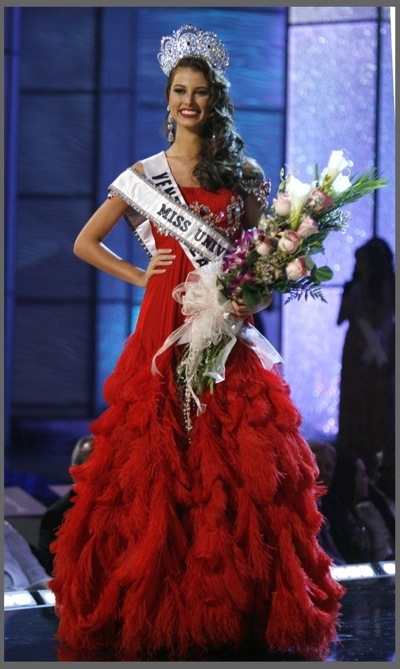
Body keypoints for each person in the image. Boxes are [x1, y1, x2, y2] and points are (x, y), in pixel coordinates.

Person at [49, 25, 343, 661]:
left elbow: (266, 262)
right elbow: (84, 242)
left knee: (233, 460)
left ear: (216, 99)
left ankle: (235, 606)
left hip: (226, 331)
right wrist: (141, 274)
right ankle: (155, 605)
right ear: (167, 99)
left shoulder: (245, 175)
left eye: (200, 92)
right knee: (157, 462)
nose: (189, 102)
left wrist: (255, 294)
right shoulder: (142, 176)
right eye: (179, 91)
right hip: (165, 324)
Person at [336, 237, 395, 495]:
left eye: (363, 261)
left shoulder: (390, 287)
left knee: (381, 406)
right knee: (355, 405)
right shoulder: (353, 288)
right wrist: (350, 294)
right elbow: (340, 318)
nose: (359, 266)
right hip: (356, 356)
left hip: (382, 354)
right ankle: (353, 467)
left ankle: (382, 471)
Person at [321, 452, 395, 564]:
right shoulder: (336, 514)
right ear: (349, 477)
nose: (368, 480)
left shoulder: (354, 513)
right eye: (363, 474)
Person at [37, 435, 94, 575]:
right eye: (90, 466)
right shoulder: (57, 515)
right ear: (75, 471)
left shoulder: (123, 508)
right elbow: (52, 569)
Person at [308, 440, 346, 565]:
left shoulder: (332, 507)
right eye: (316, 464)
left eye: (328, 468)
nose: (323, 472)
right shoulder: (294, 510)